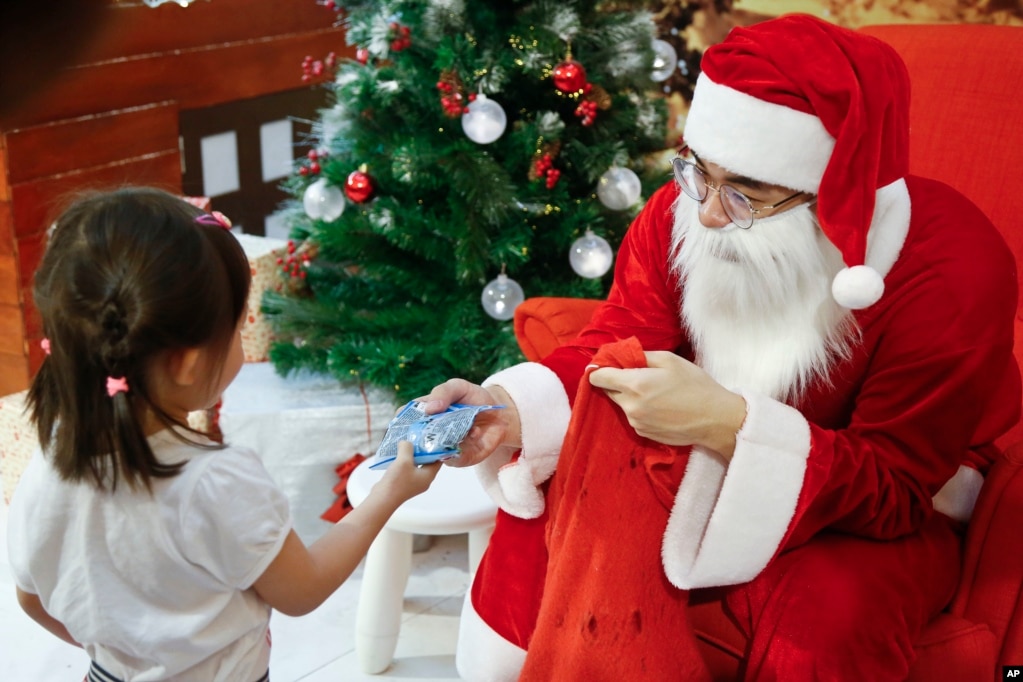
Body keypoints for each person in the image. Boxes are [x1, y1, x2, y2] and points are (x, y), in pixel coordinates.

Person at [422, 14, 1021, 681]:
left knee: (827, 617)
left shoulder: (952, 267)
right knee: (549, 528)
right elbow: (613, 340)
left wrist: (730, 426)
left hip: (875, 499)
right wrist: (505, 406)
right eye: (697, 173)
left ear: (835, 199)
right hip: (699, 452)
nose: (705, 213)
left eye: (745, 194)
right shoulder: (683, 210)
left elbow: (897, 489)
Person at [6, 187, 440, 682]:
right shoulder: (215, 481)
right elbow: (303, 589)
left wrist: (126, 650)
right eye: (235, 329)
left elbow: (32, 600)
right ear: (188, 363)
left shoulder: (46, 462)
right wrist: (390, 493)